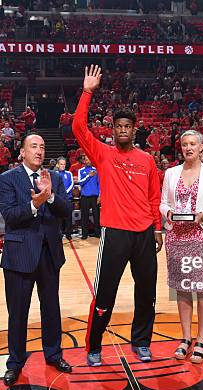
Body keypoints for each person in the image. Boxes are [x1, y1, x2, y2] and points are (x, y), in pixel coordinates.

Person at [73, 65, 162, 366]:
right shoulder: (103, 154)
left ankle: (142, 341)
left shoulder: (147, 160)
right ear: (113, 130)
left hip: (145, 233)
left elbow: (154, 196)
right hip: (115, 232)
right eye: (118, 126)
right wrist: (87, 92)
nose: (123, 130)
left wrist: (158, 229)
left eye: (128, 126)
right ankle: (94, 345)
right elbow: (78, 129)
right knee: (105, 293)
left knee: (146, 291)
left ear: (134, 130)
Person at [0, 133, 73, 387]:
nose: (39, 151)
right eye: (33, 146)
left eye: (42, 147)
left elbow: (65, 209)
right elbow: (9, 216)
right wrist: (34, 204)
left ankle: (53, 354)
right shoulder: (8, 179)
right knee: (18, 311)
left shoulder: (55, 177)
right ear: (22, 152)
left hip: (50, 253)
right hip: (19, 254)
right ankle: (15, 362)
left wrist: (49, 196)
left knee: (51, 308)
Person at [160, 130, 203, 363]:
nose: (188, 148)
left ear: (201, 147)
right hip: (177, 237)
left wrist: (202, 215)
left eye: (192, 144)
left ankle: (201, 340)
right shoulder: (170, 173)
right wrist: (167, 213)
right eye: (184, 144)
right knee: (182, 288)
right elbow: (163, 203)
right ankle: (186, 338)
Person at [78, 156, 100, 239]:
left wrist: (100, 195)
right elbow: (80, 182)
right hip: (85, 196)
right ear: (84, 161)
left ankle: (97, 233)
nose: (88, 161)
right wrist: (89, 176)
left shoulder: (96, 169)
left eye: (89, 159)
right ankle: (84, 234)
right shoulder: (81, 171)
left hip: (95, 196)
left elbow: (99, 183)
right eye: (87, 159)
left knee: (96, 216)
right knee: (84, 216)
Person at [55, 157, 74, 240]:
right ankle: (59, 233)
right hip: (58, 199)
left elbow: (72, 184)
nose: (63, 166)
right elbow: (53, 186)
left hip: (67, 198)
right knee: (58, 218)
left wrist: (65, 193)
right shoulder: (54, 173)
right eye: (61, 164)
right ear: (57, 165)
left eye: (64, 164)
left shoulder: (69, 173)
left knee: (68, 217)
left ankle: (68, 234)